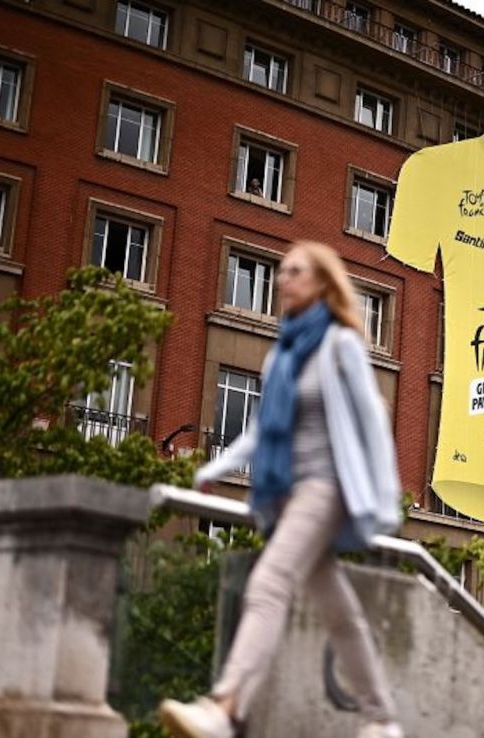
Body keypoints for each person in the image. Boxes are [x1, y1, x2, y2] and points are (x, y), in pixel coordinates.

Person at [159, 241, 404, 738]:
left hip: (328, 488)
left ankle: (225, 707)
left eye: (295, 271)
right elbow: (262, 430)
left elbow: (373, 420)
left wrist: (386, 497)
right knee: (339, 612)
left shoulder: (340, 345)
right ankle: (382, 719)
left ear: (321, 283)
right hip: (290, 493)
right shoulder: (280, 356)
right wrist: (218, 465)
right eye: (281, 271)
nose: (282, 279)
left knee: (269, 585)